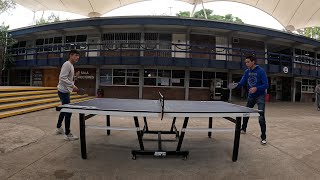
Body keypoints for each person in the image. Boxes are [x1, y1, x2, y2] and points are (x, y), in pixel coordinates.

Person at [236, 55, 269, 145]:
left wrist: (256, 88)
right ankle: (243, 128)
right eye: (245, 62)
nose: (246, 64)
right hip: (251, 96)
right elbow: (242, 82)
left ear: (253, 62)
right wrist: (235, 85)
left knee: (261, 116)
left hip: (260, 96)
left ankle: (263, 137)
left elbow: (266, 85)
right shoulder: (247, 71)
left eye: (248, 62)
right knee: (246, 113)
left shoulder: (261, 71)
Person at [55, 49, 80, 141]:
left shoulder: (71, 66)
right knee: (68, 112)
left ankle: (58, 128)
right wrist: (73, 86)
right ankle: (68, 134)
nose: (78, 57)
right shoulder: (67, 64)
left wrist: (75, 77)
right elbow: (62, 78)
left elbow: (68, 78)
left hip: (65, 91)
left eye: (78, 56)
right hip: (63, 91)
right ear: (71, 55)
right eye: (76, 55)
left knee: (64, 110)